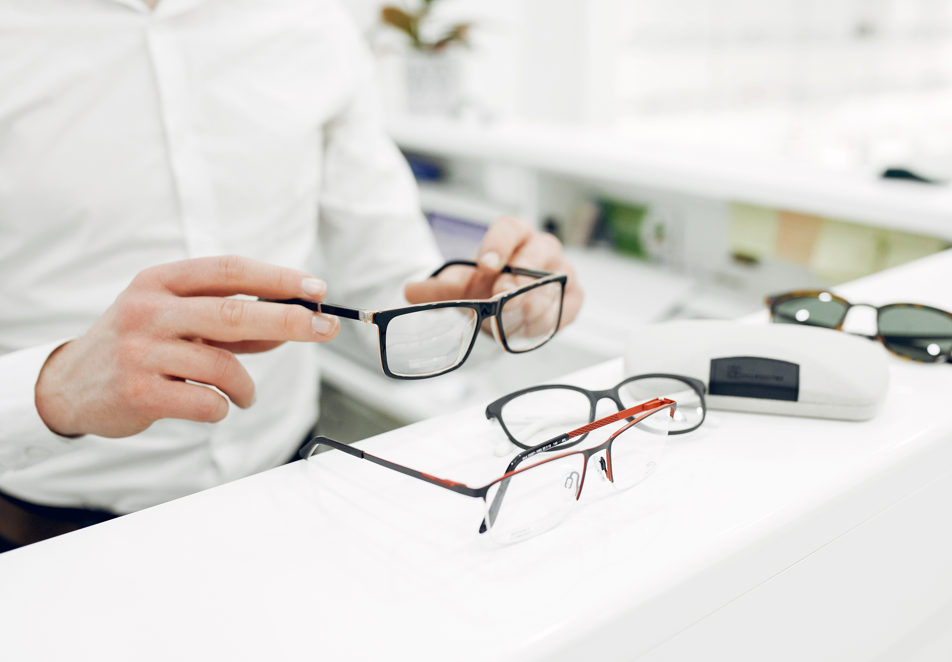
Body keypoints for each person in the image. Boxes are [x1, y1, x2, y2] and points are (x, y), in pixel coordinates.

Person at [0, 0, 583, 551]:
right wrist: (52, 389)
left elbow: (389, 287)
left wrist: (483, 311)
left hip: (289, 493)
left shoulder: (313, 20)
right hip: (45, 535)